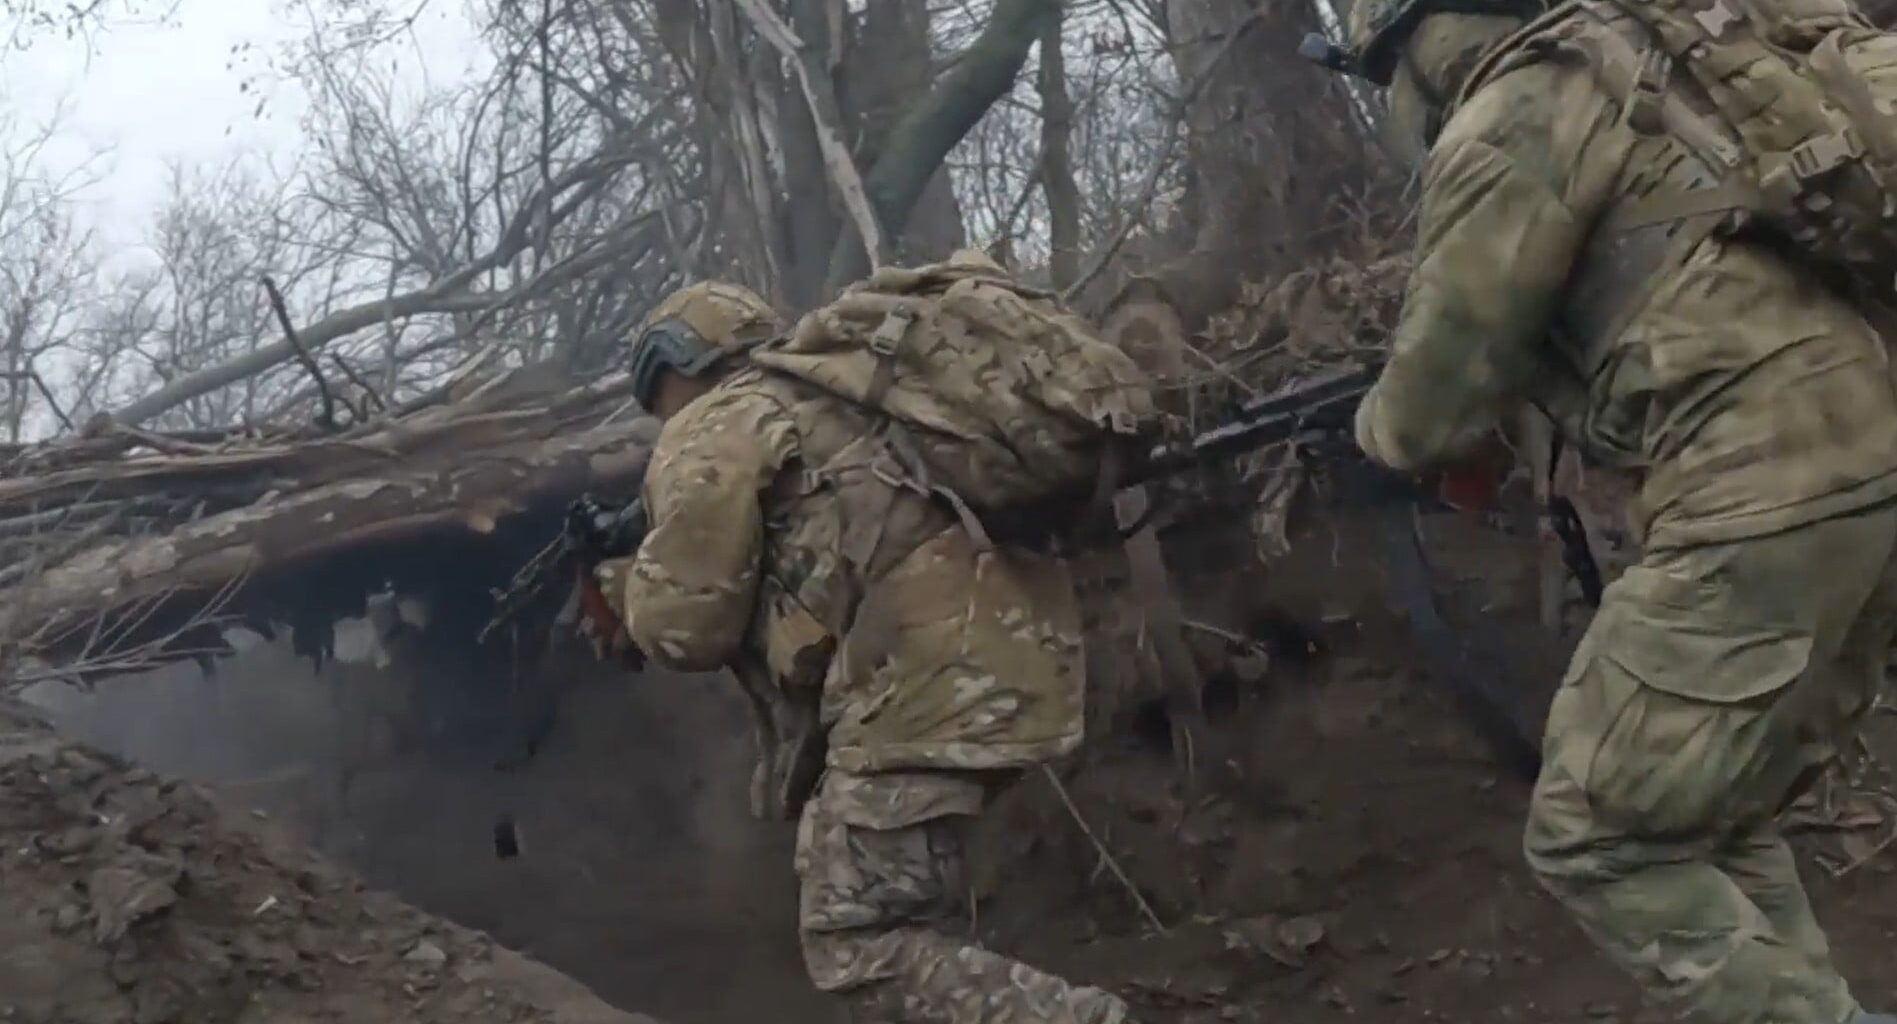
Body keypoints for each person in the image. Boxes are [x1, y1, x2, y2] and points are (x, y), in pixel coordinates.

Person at [1336, 1, 1897, 1022]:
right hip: (1865, 463)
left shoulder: (1516, 107)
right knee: (1707, 814)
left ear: (1406, 49)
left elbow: (1430, 407)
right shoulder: (1652, 62)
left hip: (1763, 485)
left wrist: (1369, 434)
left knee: (1598, 837)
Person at [593, 273, 1134, 1024]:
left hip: (922, 680)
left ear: (673, 367)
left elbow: (687, 627)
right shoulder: (845, 399)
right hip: (1015, 656)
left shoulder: (718, 420)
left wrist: (626, 588)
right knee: (910, 916)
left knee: (859, 945)